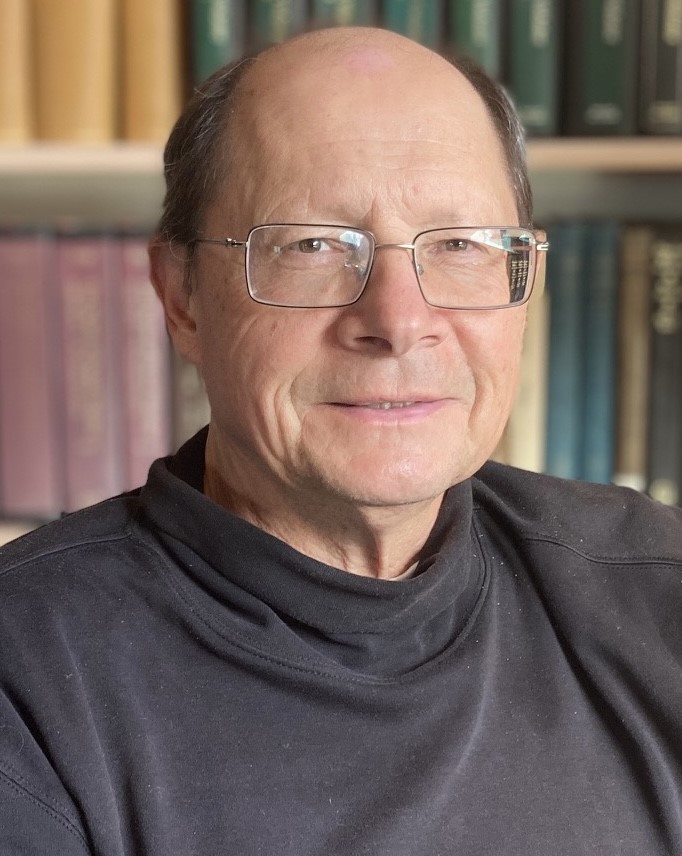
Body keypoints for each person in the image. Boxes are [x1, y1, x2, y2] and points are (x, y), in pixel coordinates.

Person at [1, 25, 681, 856]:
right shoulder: (25, 678)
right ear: (182, 298)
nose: (398, 320)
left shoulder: (656, 590)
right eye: (312, 245)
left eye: (460, 245)